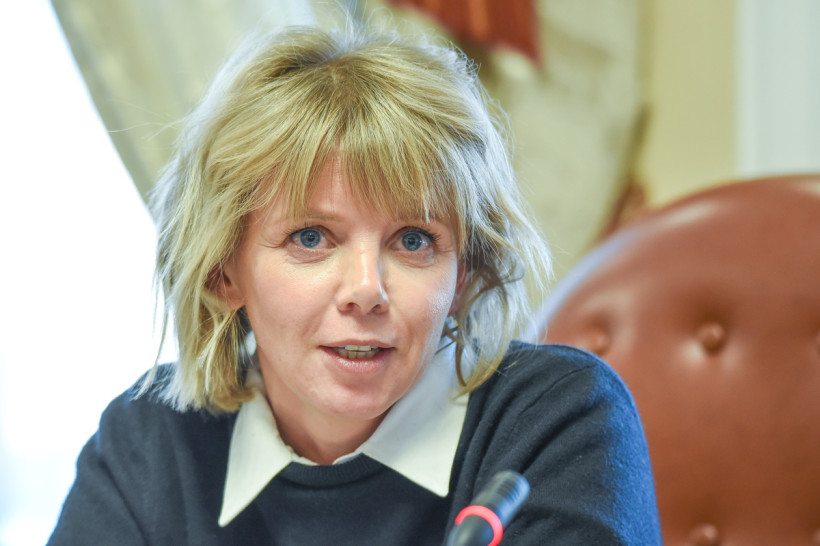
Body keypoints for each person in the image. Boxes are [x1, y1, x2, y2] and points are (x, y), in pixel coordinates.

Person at [48, 22, 660, 545]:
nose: (367, 290)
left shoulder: (559, 422)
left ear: (465, 275)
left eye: (413, 241)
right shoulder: (149, 444)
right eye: (311, 237)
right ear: (223, 272)